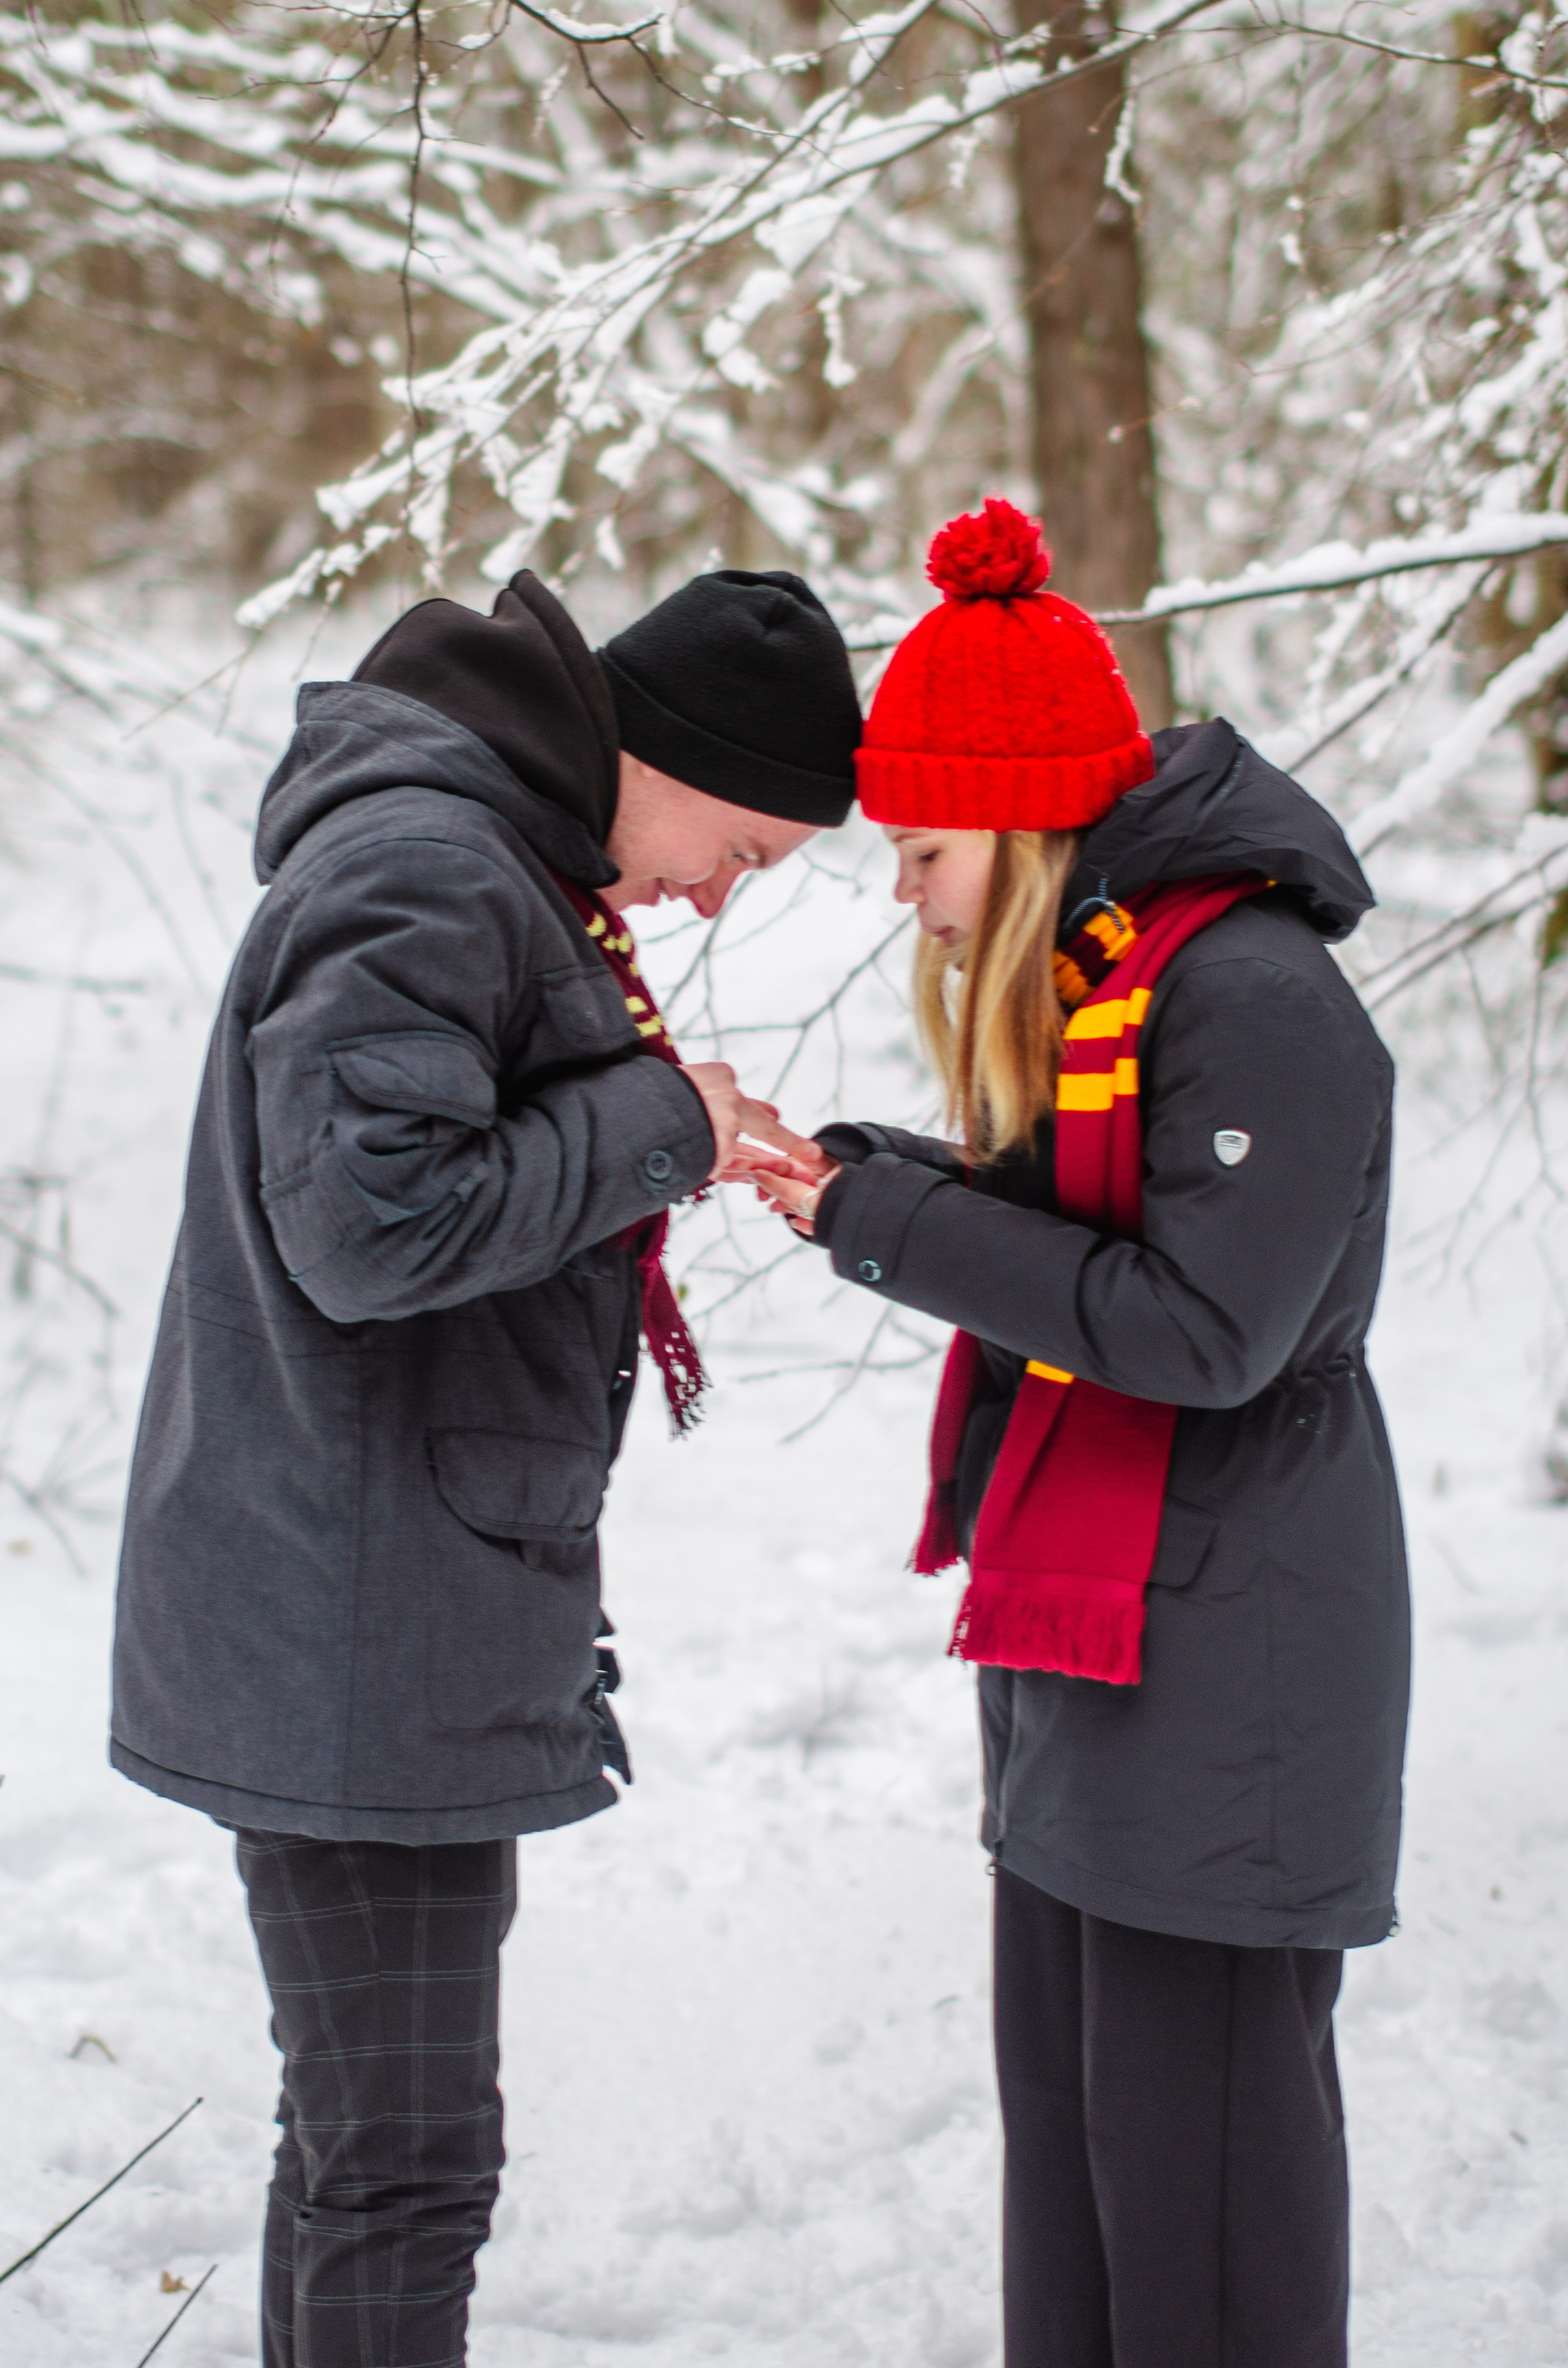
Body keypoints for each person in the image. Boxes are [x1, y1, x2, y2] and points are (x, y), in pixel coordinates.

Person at [110, 562, 861, 2366]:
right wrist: (666, 1119)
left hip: (373, 1599)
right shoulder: (432, 868)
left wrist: (646, 1121)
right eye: (739, 848)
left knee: (380, 2156)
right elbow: (375, 1231)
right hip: (347, 1614)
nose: (706, 896)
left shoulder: (480, 864)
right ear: (659, 750)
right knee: (403, 2168)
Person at [756, 498, 1409, 2368]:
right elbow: (1079, 1229)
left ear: (1030, 825)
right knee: (1088, 2187)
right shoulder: (1124, 976)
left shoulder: (1255, 996)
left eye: (928, 849)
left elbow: (1202, 1328)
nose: (910, 893)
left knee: (1202, 2225)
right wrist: (861, 1175)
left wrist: (880, 1223)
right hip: (1107, 1661)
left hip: (1230, 1665)